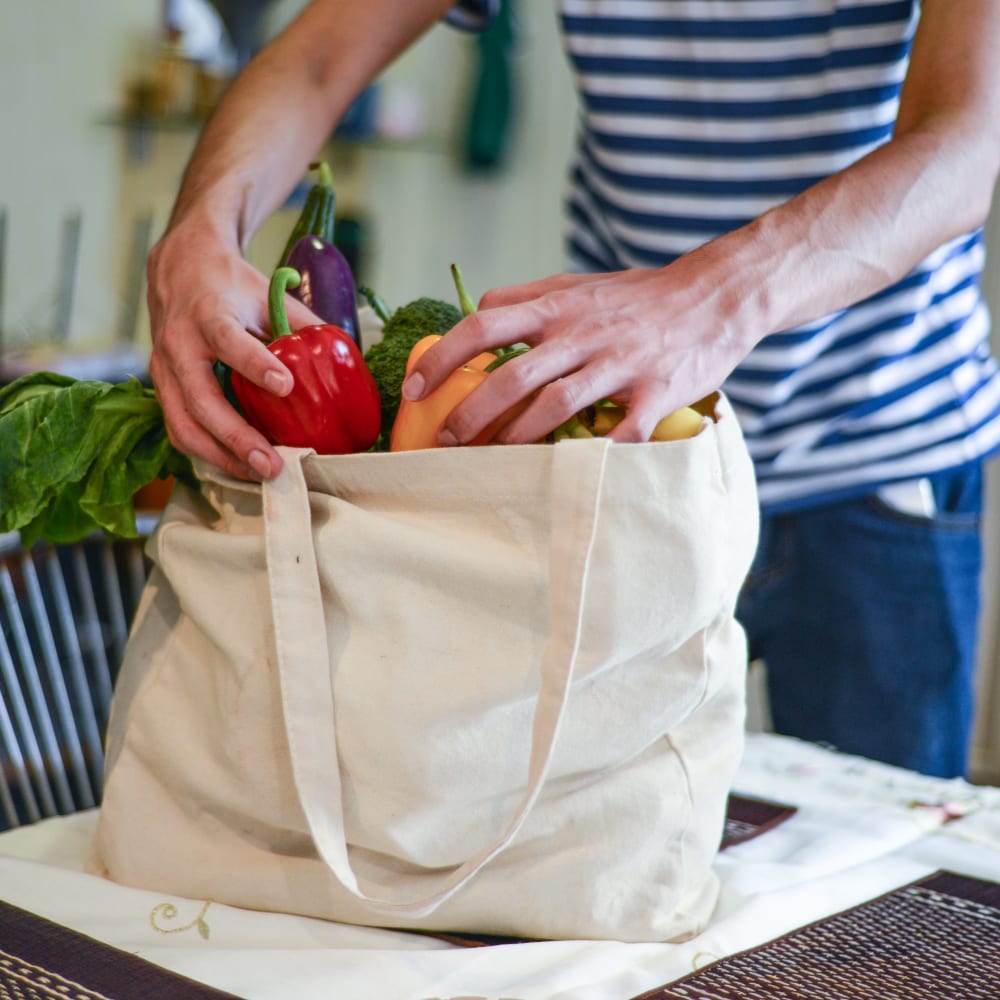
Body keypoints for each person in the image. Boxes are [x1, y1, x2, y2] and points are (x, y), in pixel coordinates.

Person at [146, 0, 1000, 778]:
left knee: (884, 894)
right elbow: (320, 55)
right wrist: (199, 229)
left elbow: (965, 140)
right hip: (611, 460)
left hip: (882, 450)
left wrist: (708, 300)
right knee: (584, 855)